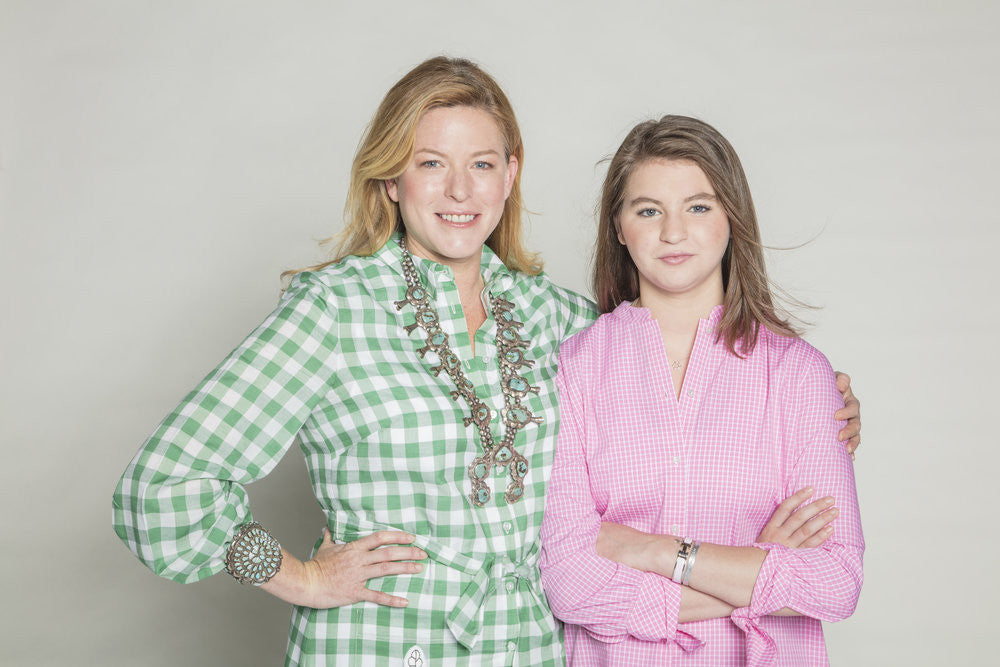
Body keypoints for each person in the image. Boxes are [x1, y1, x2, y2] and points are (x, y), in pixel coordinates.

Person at [112, 59, 861, 665]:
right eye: (430, 163)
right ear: (391, 180)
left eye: (481, 163)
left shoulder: (556, 320)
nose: (460, 190)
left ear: (510, 174)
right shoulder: (334, 310)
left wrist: (820, 406)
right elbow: (163, 487)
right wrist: (301, 578)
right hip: (382, 645)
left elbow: (676, 362)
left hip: (525, 649)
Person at [538, 115, 864, 666]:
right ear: (618, 226)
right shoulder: (574, 367)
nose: (673, 232)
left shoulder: (799, 374)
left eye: (698, 207)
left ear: (732, 217)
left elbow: (834, 582)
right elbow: (571, 583)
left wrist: (652, 550)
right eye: (648, 210)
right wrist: (751, 572)